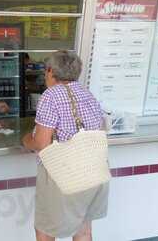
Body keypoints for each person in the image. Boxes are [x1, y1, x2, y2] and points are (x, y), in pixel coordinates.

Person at [22, 50, 108, 241]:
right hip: (94, 171)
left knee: (45, 230)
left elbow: (41, 144)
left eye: (46, 70)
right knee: (83, 230)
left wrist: (26, 139)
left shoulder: (50, 96)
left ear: (51, 71)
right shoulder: (88, 94)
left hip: (64, 174)